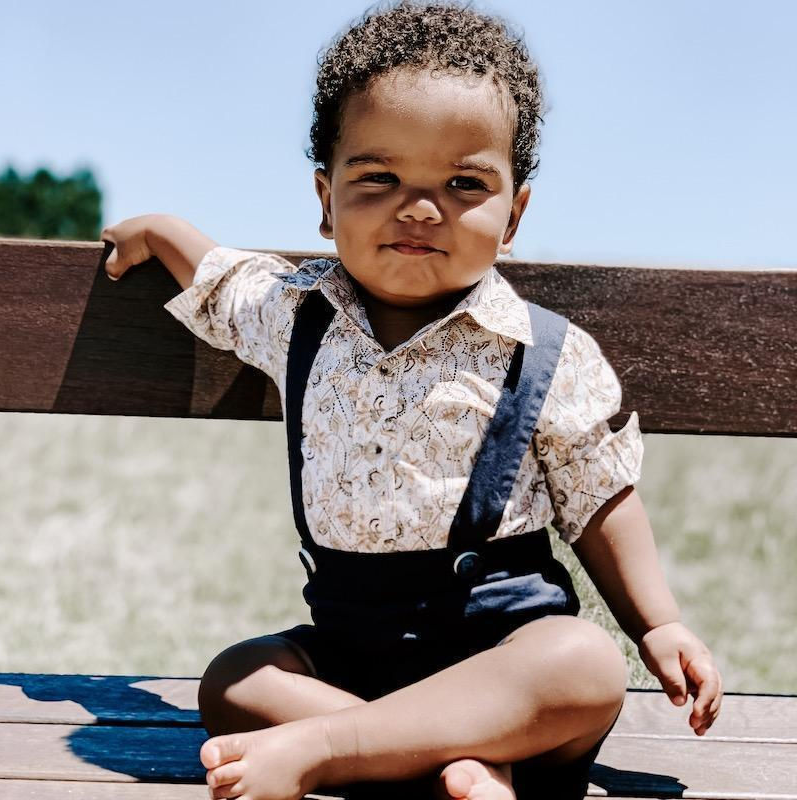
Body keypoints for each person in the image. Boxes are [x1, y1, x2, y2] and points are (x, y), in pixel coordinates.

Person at [100, 2, 723, 799]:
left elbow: (600, 499)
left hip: (507, 661)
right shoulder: (295, 316)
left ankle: (335, 749)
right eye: (379, 178)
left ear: (513, 214)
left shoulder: (543, 352)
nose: (420, 208)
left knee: (586, 664)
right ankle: (450, 769)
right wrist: (164, 232)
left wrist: (657, 624)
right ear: (326, 200)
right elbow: (222, 281)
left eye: (463, 184)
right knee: (235, 679)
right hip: (351, 654)